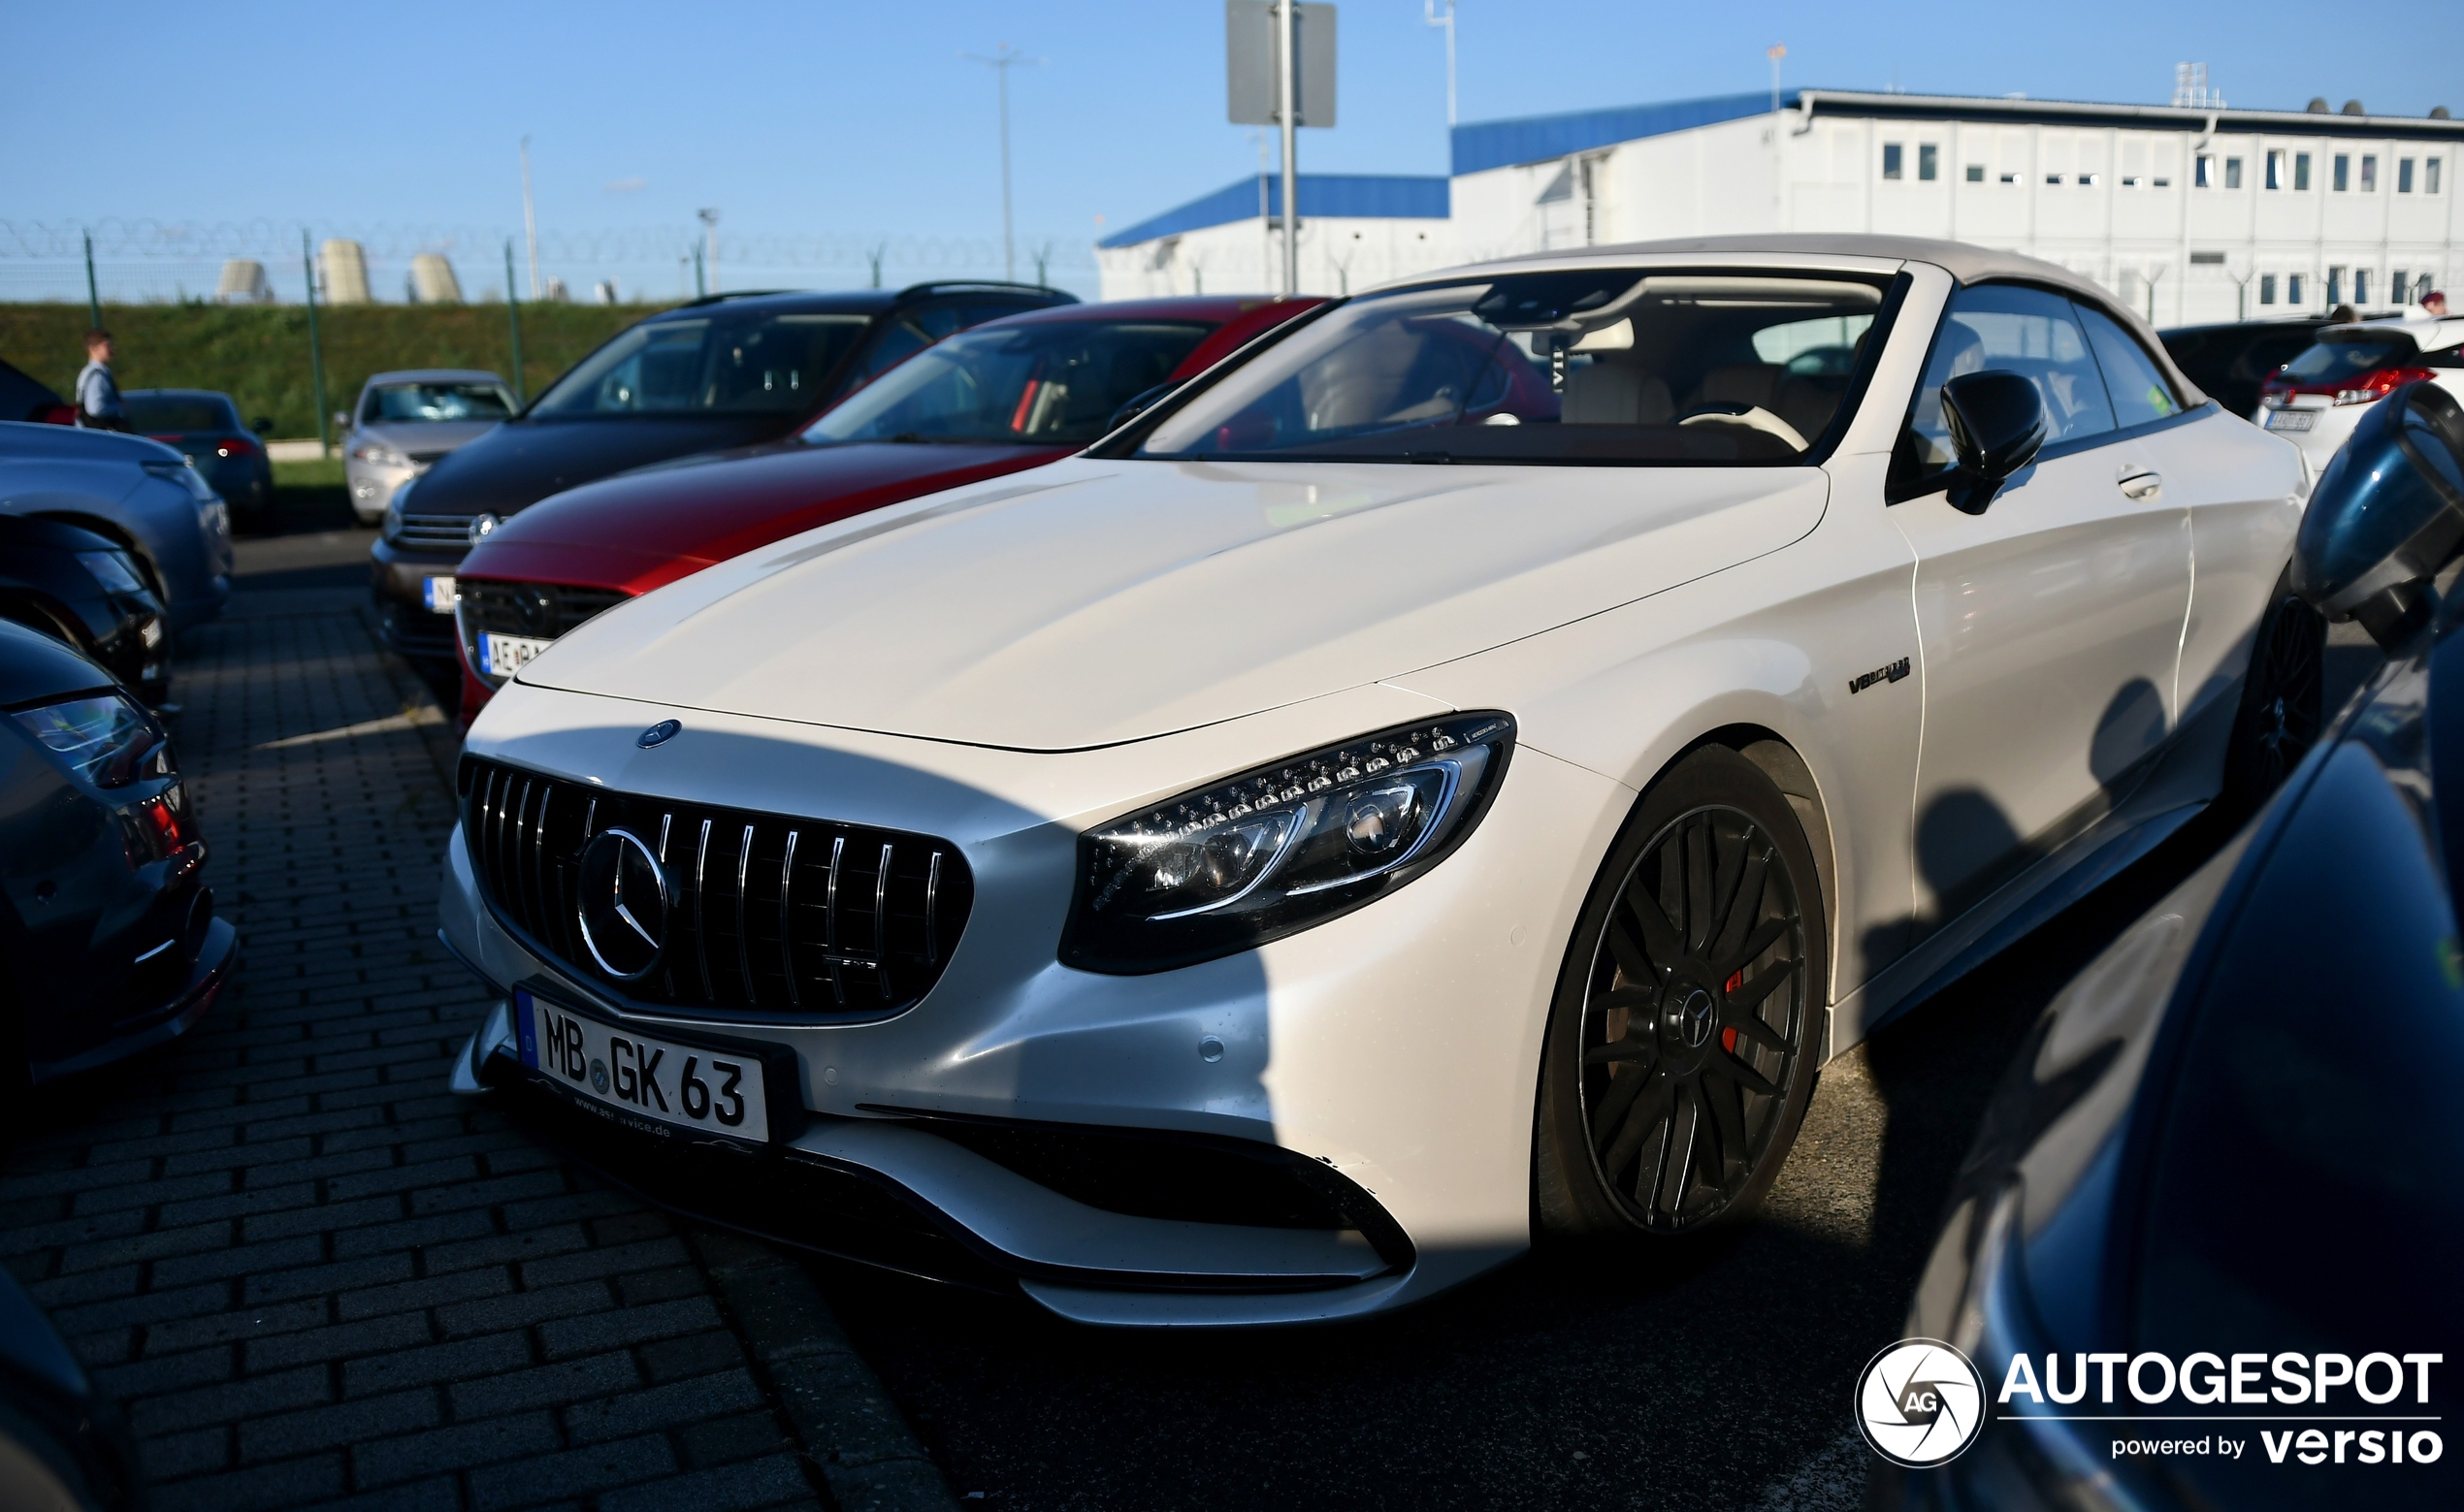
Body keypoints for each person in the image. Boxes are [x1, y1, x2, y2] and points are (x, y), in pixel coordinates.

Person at [75, 329, 127, 432]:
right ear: (94, 349)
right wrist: (119, 408)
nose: (112, 349)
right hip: (100, 433)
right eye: (107, 345)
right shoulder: (97, 376)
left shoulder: (91, 372)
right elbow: (96, 408)